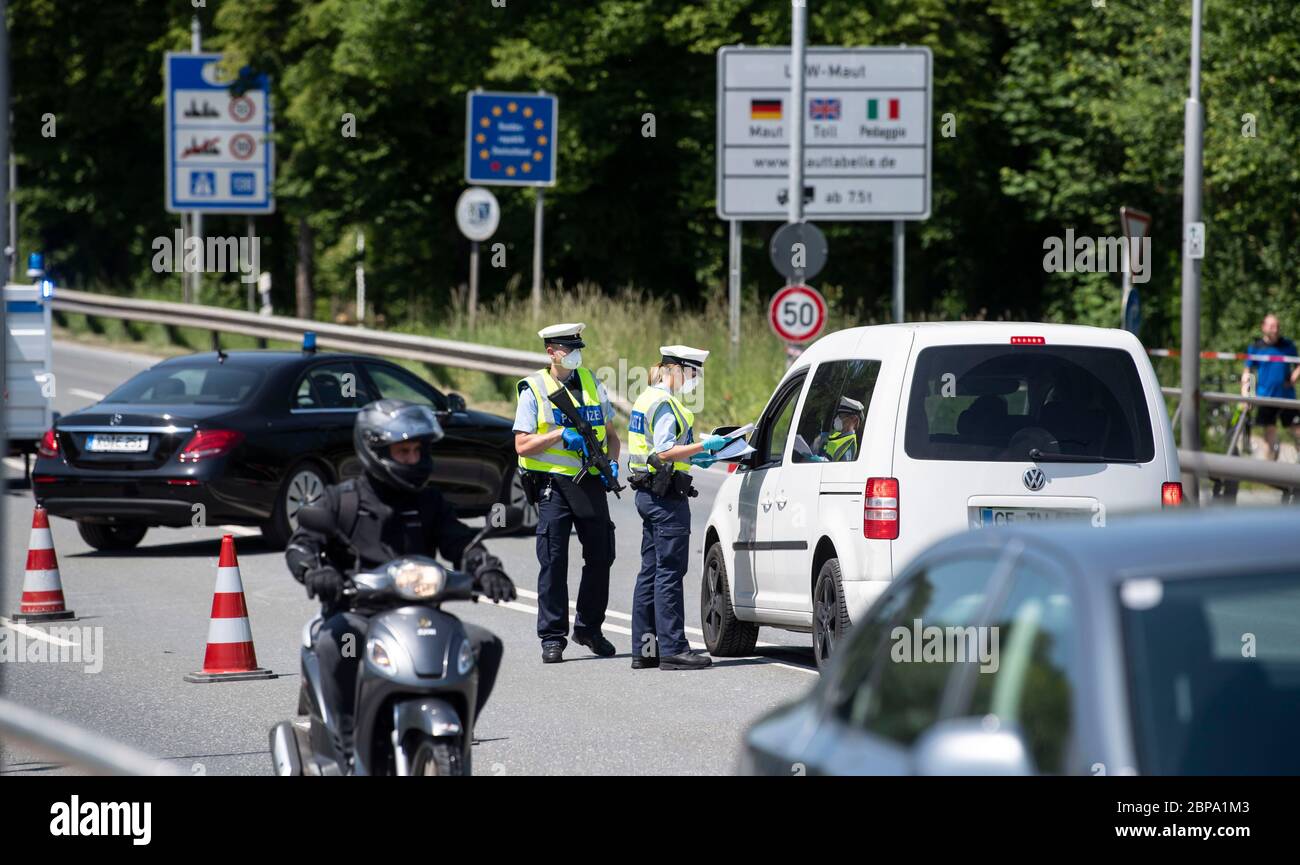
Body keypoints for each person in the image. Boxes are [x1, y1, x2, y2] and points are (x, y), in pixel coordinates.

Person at [285, 399, 516, 762]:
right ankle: (347, 752)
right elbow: (302, 545)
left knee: (483, 644)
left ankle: (459, 734)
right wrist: (317, 571)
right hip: (358, 615)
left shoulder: (430, 501)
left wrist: (486, 568)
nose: (412, 458)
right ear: (375, 451)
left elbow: (460, 542)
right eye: (403, 451)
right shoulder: (341, 501)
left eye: (416, 450)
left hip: (421, 617)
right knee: (337, 646)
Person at [513, 323, 621, 664]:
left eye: (578, 348)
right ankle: (552, 636)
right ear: (551, 352)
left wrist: (612, 464)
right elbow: (521, 444)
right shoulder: (534, 389)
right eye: (568, 348)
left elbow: (613, 436)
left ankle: (589, 628)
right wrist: (559, 436)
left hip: (590, 482)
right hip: (553, 485)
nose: (575, 354)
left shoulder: (592, 382)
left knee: (601, 556)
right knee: (554, 561)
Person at [626, 345, 728, 670]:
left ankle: (645, 650)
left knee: (652, 571)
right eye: (692, 373)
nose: (694, 380)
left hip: (648, 492)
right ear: (676, 370)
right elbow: (665, 450)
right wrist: (705, 445)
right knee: (670, 571)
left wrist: (699, 456)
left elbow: (661, 450)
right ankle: (673, 649)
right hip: (666, 496)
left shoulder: (646, 398)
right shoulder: (667, 404)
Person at [1240, 313, 1300, 461]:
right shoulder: (1256, 347)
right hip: (1266, 396)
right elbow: (1248, 372)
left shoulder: (1287, 345)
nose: (1275, 329)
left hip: (1287, 397)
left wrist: (1293, 378)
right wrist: (1246, 394)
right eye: (1272, 326)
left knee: (1297, 430)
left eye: (1277, 326)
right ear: (1264, 327)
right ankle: (1270, 471)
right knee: (1269, 433)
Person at [818, 396, 865, 461]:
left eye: (841, 416)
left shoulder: (850, 443)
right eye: (837, 416)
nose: (837, 419)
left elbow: (842, 468)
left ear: (854, 420)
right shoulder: (836, 435)